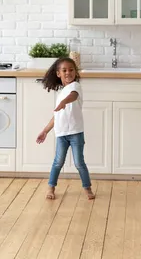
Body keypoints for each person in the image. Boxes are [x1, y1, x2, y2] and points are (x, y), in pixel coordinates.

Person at [35, 57, 95, 200]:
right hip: (61, 134)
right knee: (58, 162)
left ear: (75, 72)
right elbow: (56, 117)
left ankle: (87, 188)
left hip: (76, 133)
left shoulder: (75, 87)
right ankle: (51, 187)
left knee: (79, 162)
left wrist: (64, 101)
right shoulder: (61, 93)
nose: (68, 72)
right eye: (64, 70)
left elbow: (73, 96)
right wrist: (45, 131)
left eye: (71, 69)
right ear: (58, 74)